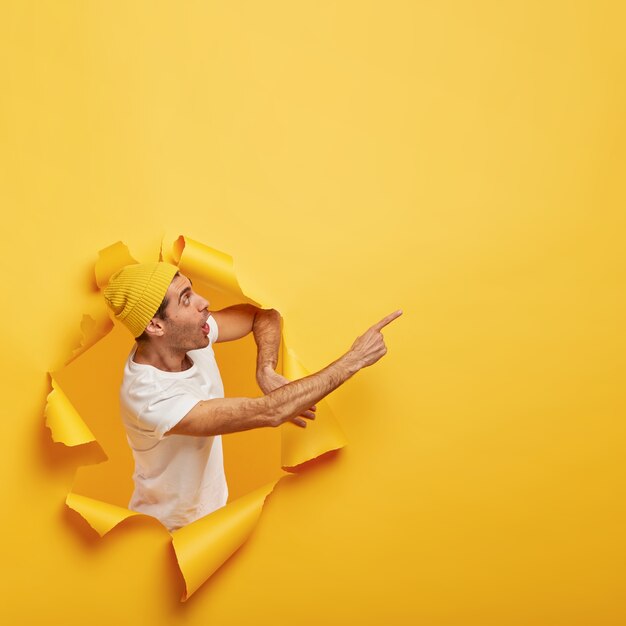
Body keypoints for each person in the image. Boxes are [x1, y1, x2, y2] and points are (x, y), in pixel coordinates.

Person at [104, 261, 402, 531]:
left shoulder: (193, 335)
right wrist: (355, 359)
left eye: (192, 291)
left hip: (213, 522)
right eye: (186, 300)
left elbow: (264, 315)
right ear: (156, 326)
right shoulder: (149, 398)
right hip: (165, 536)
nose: (203, 303)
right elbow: (270, 412)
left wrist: (266, 369)